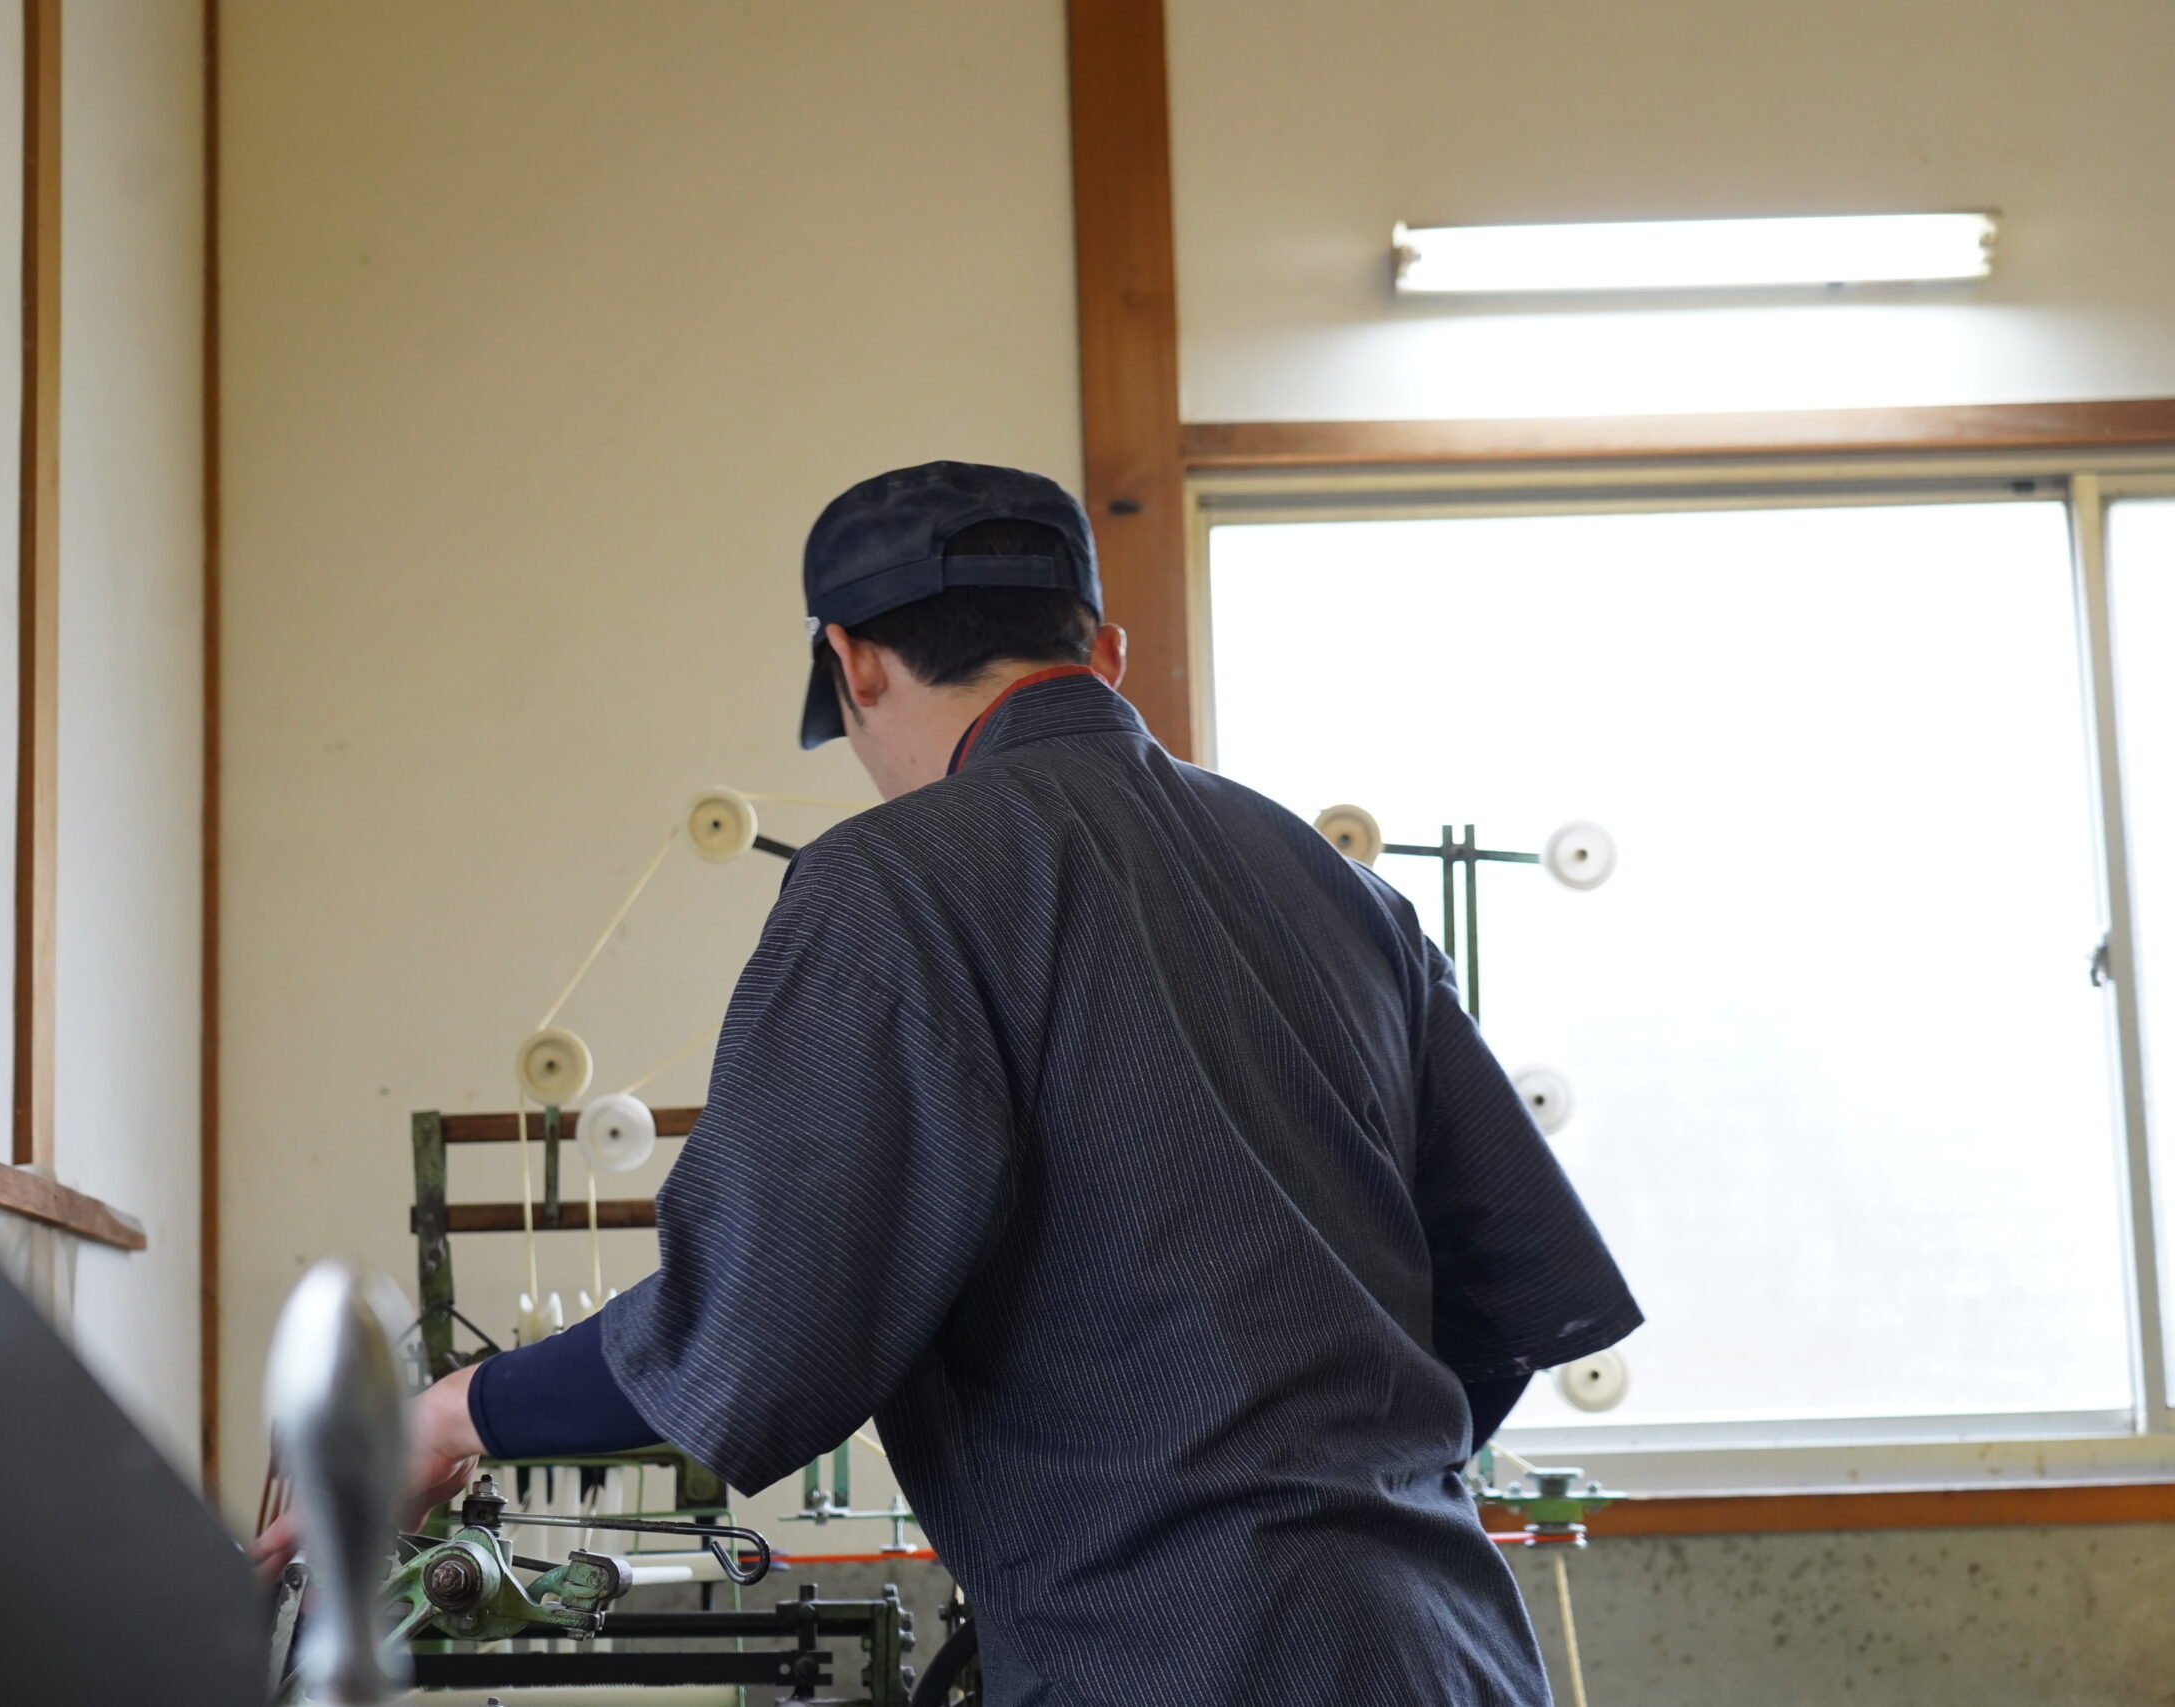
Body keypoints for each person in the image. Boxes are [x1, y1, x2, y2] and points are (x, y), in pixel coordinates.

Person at [256, 461, 1640, 1704]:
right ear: (1102, 648)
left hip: (1168, 1659)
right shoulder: (1340, 889)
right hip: (1455, 1645)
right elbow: (1513, 1293)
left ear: (853, 664)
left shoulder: (893, 882)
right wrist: (1344, 1484)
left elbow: (754, 1325)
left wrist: (446, 1414)